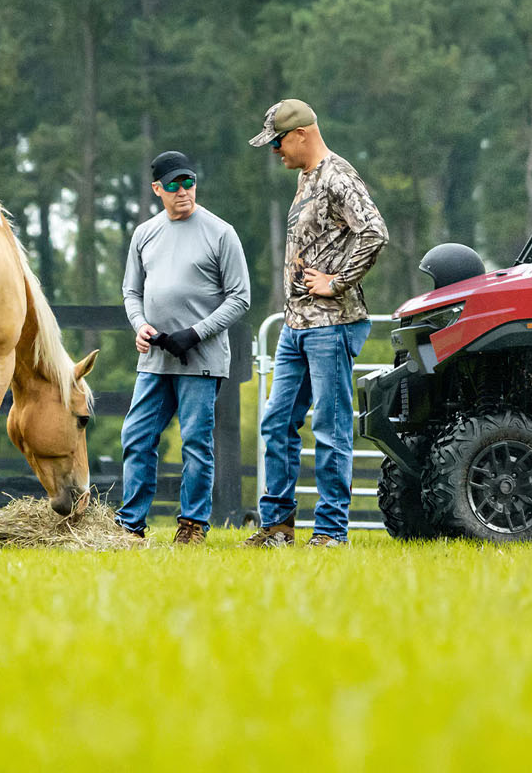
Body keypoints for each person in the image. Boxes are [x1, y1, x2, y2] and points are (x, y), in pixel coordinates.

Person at [244, 100, 389, 548]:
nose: (274, 151)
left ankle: (330, 532)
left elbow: (374, 231)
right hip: (296, 325)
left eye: (278, 141)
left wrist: (338, 281)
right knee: (276, 422)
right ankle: (277, 528)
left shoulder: (337, 176)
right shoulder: (307, 176)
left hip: (331, 324)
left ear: (303, 133)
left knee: (329, 425)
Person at [117, 150, 252, 547]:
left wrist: (195, 333)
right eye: (173, 184)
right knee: (136, 436)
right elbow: (131, 291)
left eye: (188, 181)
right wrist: (140, 326)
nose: (183, 191)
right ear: (157, 189)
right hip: (155, 358)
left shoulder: (220, 232)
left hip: (202, 359)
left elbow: (240, 297)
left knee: (196, 442)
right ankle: (131, 526)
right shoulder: (145, 233)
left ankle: (192, 525)